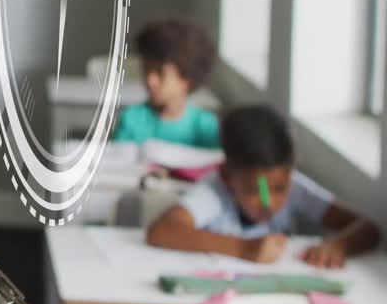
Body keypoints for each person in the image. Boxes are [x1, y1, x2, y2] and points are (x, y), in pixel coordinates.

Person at [146, 105, 380, 267]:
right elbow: (162, 230)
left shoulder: (295, 188)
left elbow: (368, 228)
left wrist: (338, 245)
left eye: (279, 189)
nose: (269, 202)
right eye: (253, 190)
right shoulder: (215, 191)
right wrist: (242, 249)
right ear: (227, 174)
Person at [113, 18, 221, 149]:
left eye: (160, 73)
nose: (150, 80)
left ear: (187, 79)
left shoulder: (206, 127)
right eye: (146, 70)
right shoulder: (131, 119)